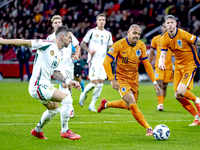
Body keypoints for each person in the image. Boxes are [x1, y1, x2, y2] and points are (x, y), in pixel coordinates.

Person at [0, 26, 81, 140]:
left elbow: (56, 73)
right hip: (37, 85)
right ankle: (65, 131)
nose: (70, 41)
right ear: (62, 37)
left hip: (45, 85)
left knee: (55, 109)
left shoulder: (60, 53)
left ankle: (37, 130)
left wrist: (70, 82)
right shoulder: (47, 44)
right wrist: (4, 41)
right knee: (67, 99)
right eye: (69, 38)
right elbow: (26, 43)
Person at [98, 24, 161, 136]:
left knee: (129, 106)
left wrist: (154, 82)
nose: (136, 36)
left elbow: (146, 64)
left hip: (134, 79)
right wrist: (112, 79)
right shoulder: (119, 44)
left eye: (138, 34)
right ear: (128, 33)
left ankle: (106, 104)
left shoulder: (141, 45)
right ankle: (149, 128)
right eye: (134, 33)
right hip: (121, 78)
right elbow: (106, 62)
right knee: (132, 104)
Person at [159, 15, 200, 126]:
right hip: (178, 67)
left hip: (190, 65)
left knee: (181, 91)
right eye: (168, 23)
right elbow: (163, 54)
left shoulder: (183, 34)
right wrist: (160, 62)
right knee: (178, 96)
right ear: (165, 25)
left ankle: (197, 100)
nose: (170, 24)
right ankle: (197, 117)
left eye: (172, 22)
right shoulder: (165, 38)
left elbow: (198, 41)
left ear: (176, 24)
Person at [47, 15, 80, 118]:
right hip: (58, 65)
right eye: (55, 22)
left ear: (62, 23)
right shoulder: (50, 38)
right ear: (52, 25)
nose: (57, 24)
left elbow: (77, 46)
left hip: (69, 65)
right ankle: (70, 109)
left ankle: (68, 102)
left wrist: (76, 55)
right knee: (64, 85)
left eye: (59, 22)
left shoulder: (69, 34)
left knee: (69, 86)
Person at [79, 13, 113, 112]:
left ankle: (92, 104)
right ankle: (84, 94)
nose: (102, 21)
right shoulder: (92, 32)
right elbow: (82, 44)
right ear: (97, 21)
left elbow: (110, 47)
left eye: (103, 20)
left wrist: (111, 55)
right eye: (100, 20)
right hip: (94, 60)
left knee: (100, 84)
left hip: (104, 61)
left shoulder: (108, 34)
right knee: (94, 83)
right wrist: (89, 51)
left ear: (105, 22)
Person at [149, 22, 173, 111]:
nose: (166, 28)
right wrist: (148, 63)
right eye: (164, 27)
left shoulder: (172, 39)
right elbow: (151, 51)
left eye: (167, 27)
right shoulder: (156, 39)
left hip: (169, 66)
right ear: (161, 28)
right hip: (159, 65)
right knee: (159, 84)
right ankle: (160, 104)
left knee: (165, 86)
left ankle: (161, 103)